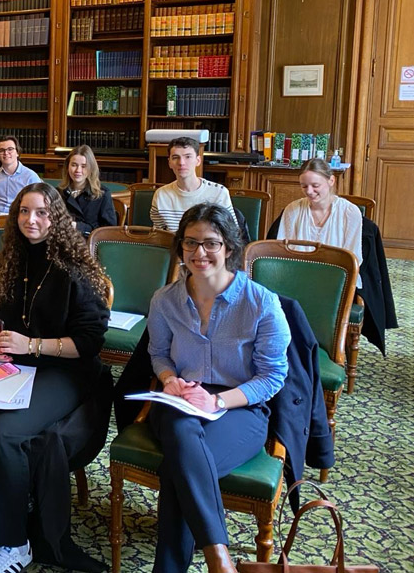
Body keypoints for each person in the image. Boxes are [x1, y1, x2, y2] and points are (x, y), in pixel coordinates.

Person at [0, 182, 110, 573]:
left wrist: (31, 345)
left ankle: (15, 542)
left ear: (57, 219)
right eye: (23, 212)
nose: (31, 220)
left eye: (41, 213)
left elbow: (88, 343)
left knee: (8, 432)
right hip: (14, 363)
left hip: (65, 371)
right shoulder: (11, 257)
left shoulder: (75, 267)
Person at [146, 203, 290, 573]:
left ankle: (201, 560)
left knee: (180, 465)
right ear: (179, 247)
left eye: (210, 243)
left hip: (239, 405)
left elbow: (272, 377)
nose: (199, 253)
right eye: (190, 243)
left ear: (228, 247)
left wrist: (216, 400)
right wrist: (169, 380)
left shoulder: (261, 303)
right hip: (178, 399)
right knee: (180, 429)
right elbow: (159, 355)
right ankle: (218, 557)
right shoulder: (164, 301)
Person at [277, 158, 363, 275]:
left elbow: (353, 258)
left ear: (331, 181)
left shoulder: (350, 212)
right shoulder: (292, 210)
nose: (309, 191)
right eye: (304, 186)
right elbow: (282, 252)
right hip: (298, 275)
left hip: (336, 277)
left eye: (315, 185)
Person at [0, 135, 41, 267]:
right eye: (2, 150)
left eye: (10, 149)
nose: (6, 153)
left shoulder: (30, 176)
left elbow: (38, 201)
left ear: (17, 152)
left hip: (17, 215)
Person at [150, 137, 233, 233]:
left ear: (198, 161)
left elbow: (230, 235)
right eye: (175, 157)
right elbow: (159, 235)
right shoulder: (161, 195)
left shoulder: (219, 193)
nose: (181, 163)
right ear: (169, 163)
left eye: (188, 157)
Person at [60, 145, 117, 236]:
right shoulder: (59, 193)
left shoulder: (102, 194)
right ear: (67, 167)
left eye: (83, 166)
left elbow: (109, 231)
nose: (78, 170)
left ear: (91, 168)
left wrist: (79, 227)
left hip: (89, 244)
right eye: (74, 165)